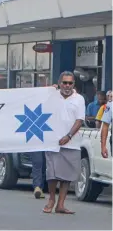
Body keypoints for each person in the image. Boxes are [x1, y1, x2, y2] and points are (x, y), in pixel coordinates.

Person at [43, 71, 85, 215]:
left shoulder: (79, 99)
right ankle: (51, 200)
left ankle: (61, 204)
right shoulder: (52, 96)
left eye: (70, 83)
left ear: (74, 84)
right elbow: (39, 102)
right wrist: (50, 90)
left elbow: (79, 120)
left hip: (71, 142)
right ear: (60, 83)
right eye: (64, 82)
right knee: (52, 173)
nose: (67, 86)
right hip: (52, 141)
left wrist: (69, 136)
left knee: (66, 175)